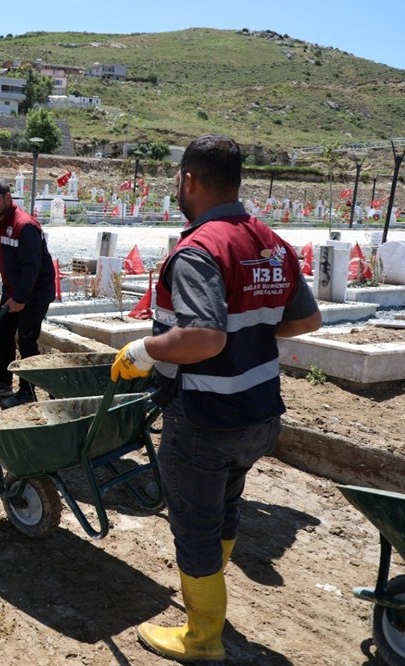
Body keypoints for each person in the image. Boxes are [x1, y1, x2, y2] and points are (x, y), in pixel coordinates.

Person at [110, 135, 322, 662]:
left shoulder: (200, 249)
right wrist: (254, 330)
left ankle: (202, 638)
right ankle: (212, 606)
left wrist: (142, 349)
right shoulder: (270, 243)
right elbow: (307, 319)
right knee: (224, 508)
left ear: (189, 180)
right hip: (258, 415)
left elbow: (203, 337)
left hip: (205, 419)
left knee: (195, 528)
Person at [0, 177, 56, 409]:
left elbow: (32, 268)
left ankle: (27, 392)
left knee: (27, 339)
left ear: (8, 197)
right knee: (2, 334)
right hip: (13, 290)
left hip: (35, 293)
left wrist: (20, 298)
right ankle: (3, 383)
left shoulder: (25, 226)